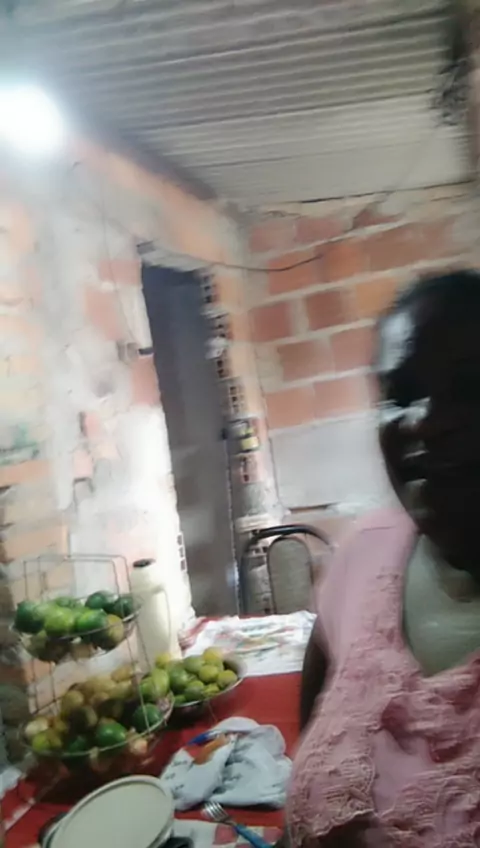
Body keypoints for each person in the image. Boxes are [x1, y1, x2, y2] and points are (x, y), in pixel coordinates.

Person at [287, 270, 480, 847]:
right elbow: (313, 736)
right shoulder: (366, 551)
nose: (425, 419)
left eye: (471, 386)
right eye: (400, 393)